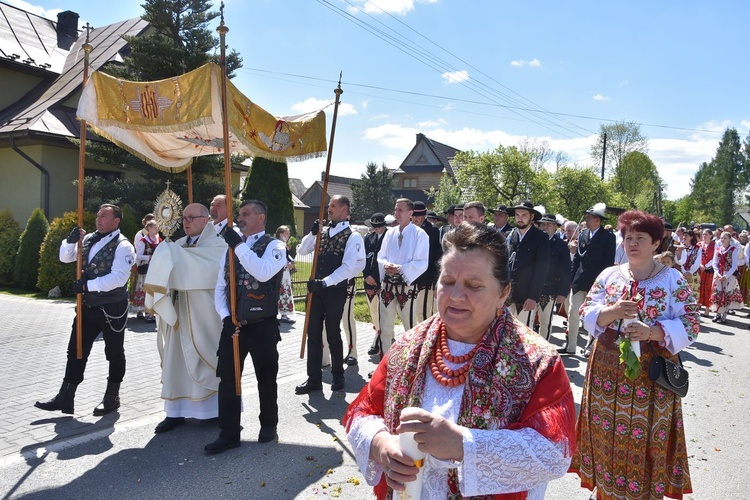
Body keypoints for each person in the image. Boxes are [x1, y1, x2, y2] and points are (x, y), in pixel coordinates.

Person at [343, 222, 576, 499]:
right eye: (448, 282)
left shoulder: (538, 362)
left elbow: (554, 451)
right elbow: (362, 411)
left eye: (473, 285)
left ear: (503, 293)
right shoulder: (408, 347)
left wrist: (464, 444)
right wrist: (381, 443)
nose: (455, 296)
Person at [570, 210, 698, 500]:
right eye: (628, 238)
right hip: (605, 368)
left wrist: (653, 332)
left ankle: (642, 492)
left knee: (645, 433)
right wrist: (610, 313)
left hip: (651, 373)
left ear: (656, 243)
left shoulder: (671, 279)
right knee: (605, 429)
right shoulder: (609, 275)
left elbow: (691, 323)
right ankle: (605, 489)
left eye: (641, 238)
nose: (633, 243)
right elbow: (586, 309)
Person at [35, 204, 136, 416]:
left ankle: (112, 396)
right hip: (87, 307)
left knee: (114, 353)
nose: (98, 219)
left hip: (112, 308)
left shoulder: (124, 246)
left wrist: (87, 286)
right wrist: (70, 241)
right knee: (76, 350)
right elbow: (66, 257)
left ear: (116, 221)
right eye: (98, 215)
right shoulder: (88, 238)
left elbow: (118, 278)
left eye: (104, 216)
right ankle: (66, 396)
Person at [204, 200, 286, 454]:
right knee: (227, 380)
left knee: (266, 377)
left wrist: (237, 245)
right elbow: (221, 286)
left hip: (263, 325)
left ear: (261, 218)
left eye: (246, 214)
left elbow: (262, 272)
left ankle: (268, 424)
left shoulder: (275, 246)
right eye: (239, 214)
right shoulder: (232, 247)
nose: (240, 218)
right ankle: (229, 433)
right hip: (234, 326)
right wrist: (225, 317)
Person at [144, 203, 225, 433]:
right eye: (184, 217)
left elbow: (208, 272)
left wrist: (175, 259)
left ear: (205, 220)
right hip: (178, 312)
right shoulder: (176, 245)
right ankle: (175, 412)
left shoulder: (217, 245)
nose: (186, 221)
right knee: (175, 361)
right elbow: (167, 273)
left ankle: (215, 410)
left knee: (209, 359)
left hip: (205, 314)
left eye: (191, 217)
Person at [295, 195, 365, 394]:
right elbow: (302, 250)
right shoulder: (323, 232)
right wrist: (312, 233)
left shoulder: (353, 236)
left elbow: (349, 267)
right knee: (313, 333)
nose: (329, 209)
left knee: (333, 332)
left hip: (335, 290)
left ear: (344, 209)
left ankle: (338, 375)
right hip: (316, 291)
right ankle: (313, 379)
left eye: (333, 206)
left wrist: (324, 282)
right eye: (329, 206)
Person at [377, 198, 429, 354]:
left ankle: (409, 364)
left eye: (400, 210)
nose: (396, 213)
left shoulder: (420, 234)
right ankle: (384, 364)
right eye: (395, 210)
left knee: (409, 326)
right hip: (387, 284)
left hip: (407, 285)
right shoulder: (390, 233)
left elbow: (421, 262)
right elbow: (381, 255)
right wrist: (385, 265)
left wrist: (400, 269)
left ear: (410, 213)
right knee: (385, 325)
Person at [564, 203, 616, 356]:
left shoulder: (608, 237)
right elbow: (577, 260)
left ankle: (590, 346)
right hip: (580, 281)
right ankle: (571, 346)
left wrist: (605, 284)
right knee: (573, 313)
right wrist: (571, 280)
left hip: (597, 282)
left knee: (593, 316)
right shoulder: (583, 235)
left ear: (598, 220)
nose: (586, 220)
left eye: (589, 217)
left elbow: (608, 263)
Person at [505, 200, 550, 327]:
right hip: (507, 294)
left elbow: (542, 269)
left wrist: (533, 296)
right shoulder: (509, 235)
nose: (520, 218)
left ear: (532, 216)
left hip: (526, 296)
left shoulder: (540, 237)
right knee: (503, 330)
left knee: (522, 333)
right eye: (517, 215)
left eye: (524, 215)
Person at [536, 213, 571, 341]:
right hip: (531, 289)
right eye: (542, 224)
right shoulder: (535, 242)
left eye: (547, 225)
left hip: (549, 290)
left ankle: (543, 352)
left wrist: (563, 292)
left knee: (545, 323)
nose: (544, 227)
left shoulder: (561, 245)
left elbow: (566, 270)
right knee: (526, 322)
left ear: (554, 227)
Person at [410, 201, 443, 324]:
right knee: (411, 312)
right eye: (413, 216)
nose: (415, 219)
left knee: (423, 313)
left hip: (426, 277)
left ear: (424, 216)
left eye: (418, 216)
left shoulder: (432, 230)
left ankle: (425, 340)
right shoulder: (409, 229)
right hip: (411, 277)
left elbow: (436, 256)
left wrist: (435, 280)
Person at [364, 213, 388, 357]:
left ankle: (379, 341)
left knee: (382, 313)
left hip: (382, 280)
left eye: (380, 226)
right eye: (375, 226)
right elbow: (364, 258)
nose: (377, 229)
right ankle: (377, 335)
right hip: (368, 280)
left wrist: (378, 279)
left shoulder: (389, 237)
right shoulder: (368, 238)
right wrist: (366, 275)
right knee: (374, 313)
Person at [131, 220, 161, 322]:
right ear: (149, 229)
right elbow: (138, 256)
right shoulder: (143, 241)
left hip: (155, 268)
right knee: (146, 290)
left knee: (153, 290)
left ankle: (152, 312)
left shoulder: (158, 239)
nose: (157, 229)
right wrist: (149, 257)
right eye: (155, 227)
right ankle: (146, 312)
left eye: (157, 227)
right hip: (146, 269)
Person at [710, 231, 743, 324]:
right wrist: (718, 273)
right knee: (718, 293)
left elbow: (734, 265)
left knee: (727, 294)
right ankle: (717, 314)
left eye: (725, 238)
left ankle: (724, 315)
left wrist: (726, 275)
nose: (723, 240)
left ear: (729, 239)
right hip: (719, 274)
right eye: (721, 238)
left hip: (729, 274)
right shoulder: (718, 249)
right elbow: (714, 262)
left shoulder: (733, 250)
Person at [275, 225, 296, 324]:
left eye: (288, 233)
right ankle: (279, 313)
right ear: (280, 234)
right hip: (280, 272)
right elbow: (277, 258)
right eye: (286, 233)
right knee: (280, 291)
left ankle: (284, 313)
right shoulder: (277, 245)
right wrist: (286, 264)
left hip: (285, 272)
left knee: (285, 291)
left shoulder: (284, 245)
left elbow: (288, 256)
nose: (288, 235)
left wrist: (291, 262)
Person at [675, 229, 702, 303]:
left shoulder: (698, 248)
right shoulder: (680, 247)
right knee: (681, 293)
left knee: (692, 294)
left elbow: (697, 261)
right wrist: (684, 271)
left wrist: (690, 272)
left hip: (693, 274)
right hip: (681, 273)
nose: (684, 237)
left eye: (686, 235)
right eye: (683, 235)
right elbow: (679, 261)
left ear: (691, 237)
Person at [697, 229, 715, 316]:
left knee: (708, 289)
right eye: (703, 234)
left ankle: (707, 309)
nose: (704, 236)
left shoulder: (714, 245)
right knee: (699, 288)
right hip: (700, 269)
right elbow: (697, 256)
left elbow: (715, 257)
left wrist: (706, 266)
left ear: (711, 235)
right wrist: (700, 265)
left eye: (706, 234)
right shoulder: (699, 244)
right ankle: (697, 306)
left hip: (709, 270)